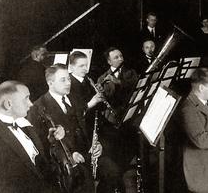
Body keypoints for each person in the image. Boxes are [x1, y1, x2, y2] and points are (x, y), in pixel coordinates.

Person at [0, 81, 64, 193]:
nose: (31, 104)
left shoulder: (22, 122)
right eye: (26, 99)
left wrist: (51, 141)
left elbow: (36, 161)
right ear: (8, 104)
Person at [28, 64, 102, 193]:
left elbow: (87, 126)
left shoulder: (75, 98)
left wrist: (96, 144)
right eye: (63, 80)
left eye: (68, 78)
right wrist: (68, 155)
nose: (68, 83)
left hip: (87, 153)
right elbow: (40, 145)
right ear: (50, 83)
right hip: (66, 165)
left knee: (113, 173)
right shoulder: (37, 108)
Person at [68, 51, 128, 193]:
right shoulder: (71, 85)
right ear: (72, 67)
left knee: (123, 136)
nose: (85, 69)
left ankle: (117, 181)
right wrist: (92, 101)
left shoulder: (87, 79)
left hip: (97, 121)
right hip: (86, 127)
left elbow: (100, 107)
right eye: (81, 66)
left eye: (86, 65)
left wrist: (100, 94)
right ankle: (111, 181)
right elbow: (77, 113)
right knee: (112, 145)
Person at [98, 47, 139, 193]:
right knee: (116, 150)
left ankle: (129, 174)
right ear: (109, 61)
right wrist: (101, 91)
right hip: (113, 121)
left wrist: (118, 82)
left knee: (129, 147)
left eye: (121, 56)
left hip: (129, 116)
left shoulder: (130, 73)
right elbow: (104, 100)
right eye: (116, 57)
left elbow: (136, 87)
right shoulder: (102, 77)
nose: (120, 59)